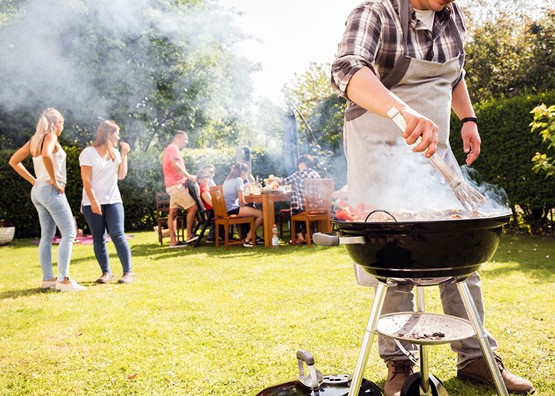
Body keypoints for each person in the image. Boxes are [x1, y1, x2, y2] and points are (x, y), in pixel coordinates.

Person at [331, 1, 534, 395]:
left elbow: (454, 74)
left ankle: (476, 357)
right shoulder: (376, 11)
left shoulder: (451, 14)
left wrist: (468, 118)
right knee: (395, 258)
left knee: (461, 246)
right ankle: (399, 363)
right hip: (379, 146)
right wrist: (402, 111)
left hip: (435, 149)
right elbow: (347, 70)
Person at [8, 108, 86, 292]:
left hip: (38, 191)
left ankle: (48, 279)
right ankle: (64, 280)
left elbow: (13, 161)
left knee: (47, 236)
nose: (62, 127)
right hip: (50, 189)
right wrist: (53, 180)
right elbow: (46, 155)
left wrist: (35, 181)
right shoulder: (50, 136)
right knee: (69, 233)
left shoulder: (34, 140)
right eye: (62, 123)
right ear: (55, 123)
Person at [79, 120, 135, 285]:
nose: (118, 137)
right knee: (98, 238)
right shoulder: (88, 153)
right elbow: (86, 180)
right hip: (91, 202)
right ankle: (106, 273)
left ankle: (128, 273)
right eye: (116, 133)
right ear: (108, 134)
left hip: (113, 201)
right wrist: (94, 201)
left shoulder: (115, 153)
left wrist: (124, 155)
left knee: (118, 235)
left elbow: (121, 175)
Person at [269, 154, 321, 244]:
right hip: (316, 206)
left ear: (304, 163)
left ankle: (300, 237)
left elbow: (284, 181)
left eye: (299, 164)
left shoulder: (299, 174)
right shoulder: (315, 174)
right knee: (300, 211)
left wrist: (273, 180)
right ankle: (307, 236)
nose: (298, 166)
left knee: (293, 212)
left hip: (305, 207)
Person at [162, 130, 198, 248]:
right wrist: (189, 176)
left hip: (172, 186)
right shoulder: (173, 148)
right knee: (193, 207)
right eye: (185, 139)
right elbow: (174, 165)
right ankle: (189, 235)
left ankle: (173, 242)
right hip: (176, 186)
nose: (186, 142)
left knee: (173, 213)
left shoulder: (170, 148)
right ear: (178, 138)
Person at [222, 163, 263, 247]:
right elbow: (241, 200)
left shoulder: (227, 180)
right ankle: (248, 239)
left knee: (252, 210)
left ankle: (252, 237)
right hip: (232, 209)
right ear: (242, 172)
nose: (247, 175)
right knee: (260, 214)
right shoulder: (238, 180)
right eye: (247, 173)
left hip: (225, 209)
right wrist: (246, 207)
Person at [196, 169, 217, 243]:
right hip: (210, 214)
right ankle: (212, 236)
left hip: (212, 212)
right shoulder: (203, 189)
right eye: (203, 177)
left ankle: (221, 235)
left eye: (207, 177)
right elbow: (212, 204)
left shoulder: (207, 188)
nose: (205, 179)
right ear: (198, 180)